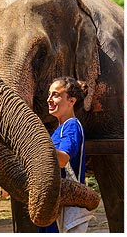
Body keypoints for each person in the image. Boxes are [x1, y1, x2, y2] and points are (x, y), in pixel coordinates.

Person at [40, 76, 89, 233]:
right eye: (49, 94)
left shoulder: (71, 127)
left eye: (55, 94)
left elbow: (62, 160)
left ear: (71, 101)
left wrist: (37, 143)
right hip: (55, 203)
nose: (49, 99)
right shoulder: (59, 130)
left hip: (64, 206)